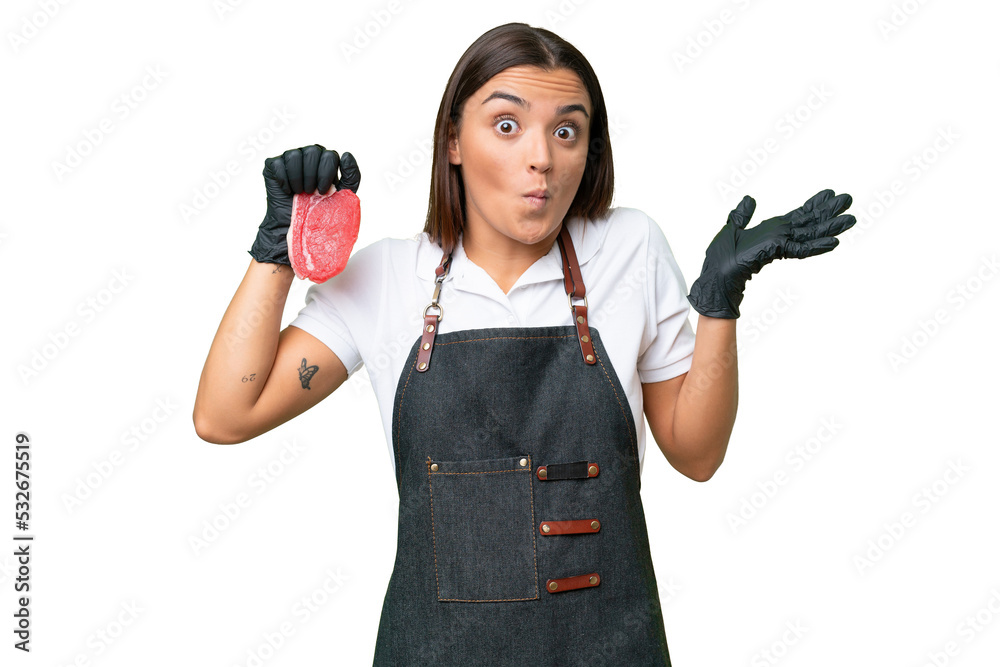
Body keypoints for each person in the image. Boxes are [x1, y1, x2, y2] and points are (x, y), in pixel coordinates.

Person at [193, 22, 855, 667]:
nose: (541, 156)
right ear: (453, 141)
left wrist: (718, 305)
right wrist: (277, 252)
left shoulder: (630, 250)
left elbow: (698, 453)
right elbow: (224, 415)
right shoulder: (388, 278)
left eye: (567, 130)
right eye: (507, 125)